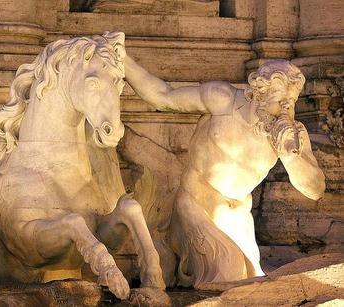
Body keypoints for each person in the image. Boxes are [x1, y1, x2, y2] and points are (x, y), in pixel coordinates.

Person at [124, 57, 326, 286]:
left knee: (254, 280)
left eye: (291, 102)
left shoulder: (292, 134)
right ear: (257, 96)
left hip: (238, 213)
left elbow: (315, 190)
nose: (286, 110)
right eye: (279, 100)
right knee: (227, 274)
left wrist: (291, 156)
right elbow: (164, 96)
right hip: (196, 204)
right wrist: (123, 62)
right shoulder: (222, 100)